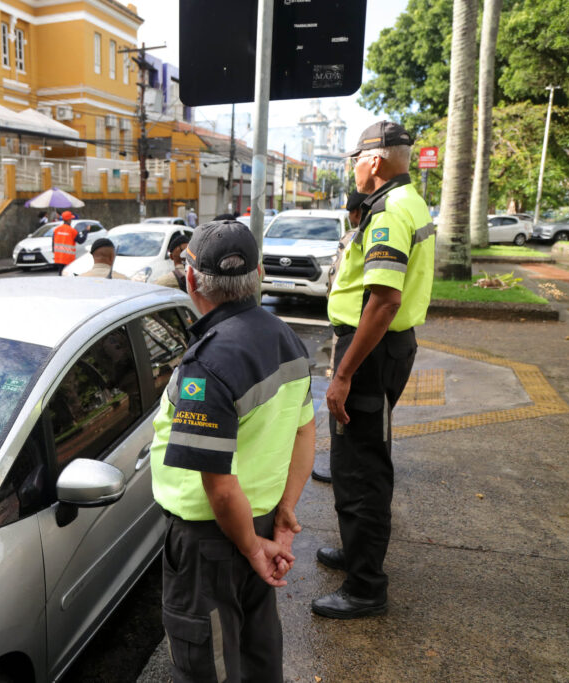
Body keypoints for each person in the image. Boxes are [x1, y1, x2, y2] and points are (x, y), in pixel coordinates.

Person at [150, 220, 315, 682]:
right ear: (259, 273)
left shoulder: (208, 364)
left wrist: (249, 546)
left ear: (191, 279)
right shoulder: (286, 338)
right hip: (260, 522)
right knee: (259, 655)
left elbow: (219, 487)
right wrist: (283, 514)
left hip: (213, 545)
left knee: (213, 666)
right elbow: (305, 432)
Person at [312, 121, 435, 619]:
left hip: (371, 352)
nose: (353, 168)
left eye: (355, 159)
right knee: (354, 456)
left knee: (361, 465)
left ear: (375, 160)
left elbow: (383, 301)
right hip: (383, 348)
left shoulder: (388, 213)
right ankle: (356, 551)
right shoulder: (407, 201)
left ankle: (366, 587)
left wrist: (343, 374)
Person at [311, 189, 368, 484]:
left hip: (349, 329)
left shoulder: (354, 239)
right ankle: (351, 465)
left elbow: (336, 280)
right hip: (364, 328)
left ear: (356, 212)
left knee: (339, 399)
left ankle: (341, 467)